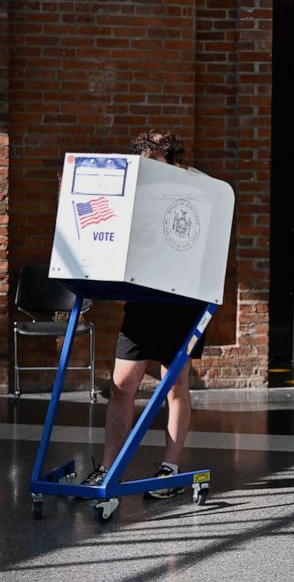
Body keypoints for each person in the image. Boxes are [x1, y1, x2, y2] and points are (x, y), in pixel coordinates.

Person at [79, 130, 205, 499]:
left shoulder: (195, 190)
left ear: (173, 161)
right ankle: (108, 468)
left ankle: (171, 466)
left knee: (175, 386)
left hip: (183, 302)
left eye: (156, 160)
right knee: (121, 386)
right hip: (143, 301)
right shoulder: (136, 197)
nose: (149, 169)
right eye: (144, 161)